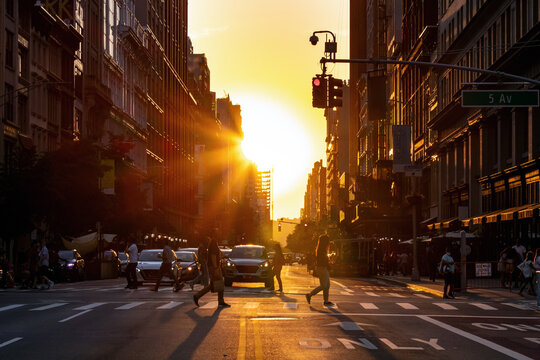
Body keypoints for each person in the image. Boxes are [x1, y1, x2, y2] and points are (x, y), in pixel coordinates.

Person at [193, 237, 230, 307]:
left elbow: (217, 255)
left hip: (213, 267)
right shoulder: (213, 245)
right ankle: (220, 301)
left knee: (214, 285)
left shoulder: (213, 244)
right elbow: (213, 256)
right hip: (214, 267)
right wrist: (216, 268)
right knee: (220, 283)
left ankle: (197, 296)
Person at [306, 234, 333, 306]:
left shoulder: (320, 250)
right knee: (324, 286)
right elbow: (323, 261)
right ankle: (310, 295)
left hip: (321, 268)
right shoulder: (322, 251)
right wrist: (329, 266)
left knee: (327, 285)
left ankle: (326, 301)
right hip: (322, 268)